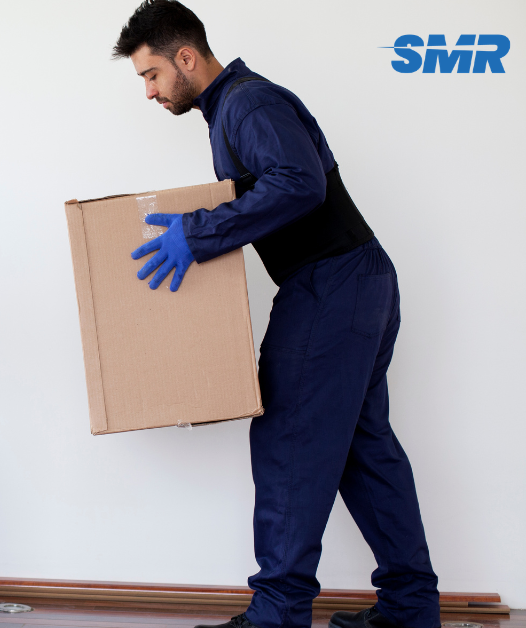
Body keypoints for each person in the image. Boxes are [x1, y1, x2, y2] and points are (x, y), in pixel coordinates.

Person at [111, 3, 441, 628]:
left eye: (151, 75)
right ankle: (411, 607)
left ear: (186, 57)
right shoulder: (233, 108)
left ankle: (278, 613)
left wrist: (201, 234)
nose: (149, 92)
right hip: (358, 279)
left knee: (290, 439)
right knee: (362, 449)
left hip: (332, 284)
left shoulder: (247, 103)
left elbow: (298, 183)